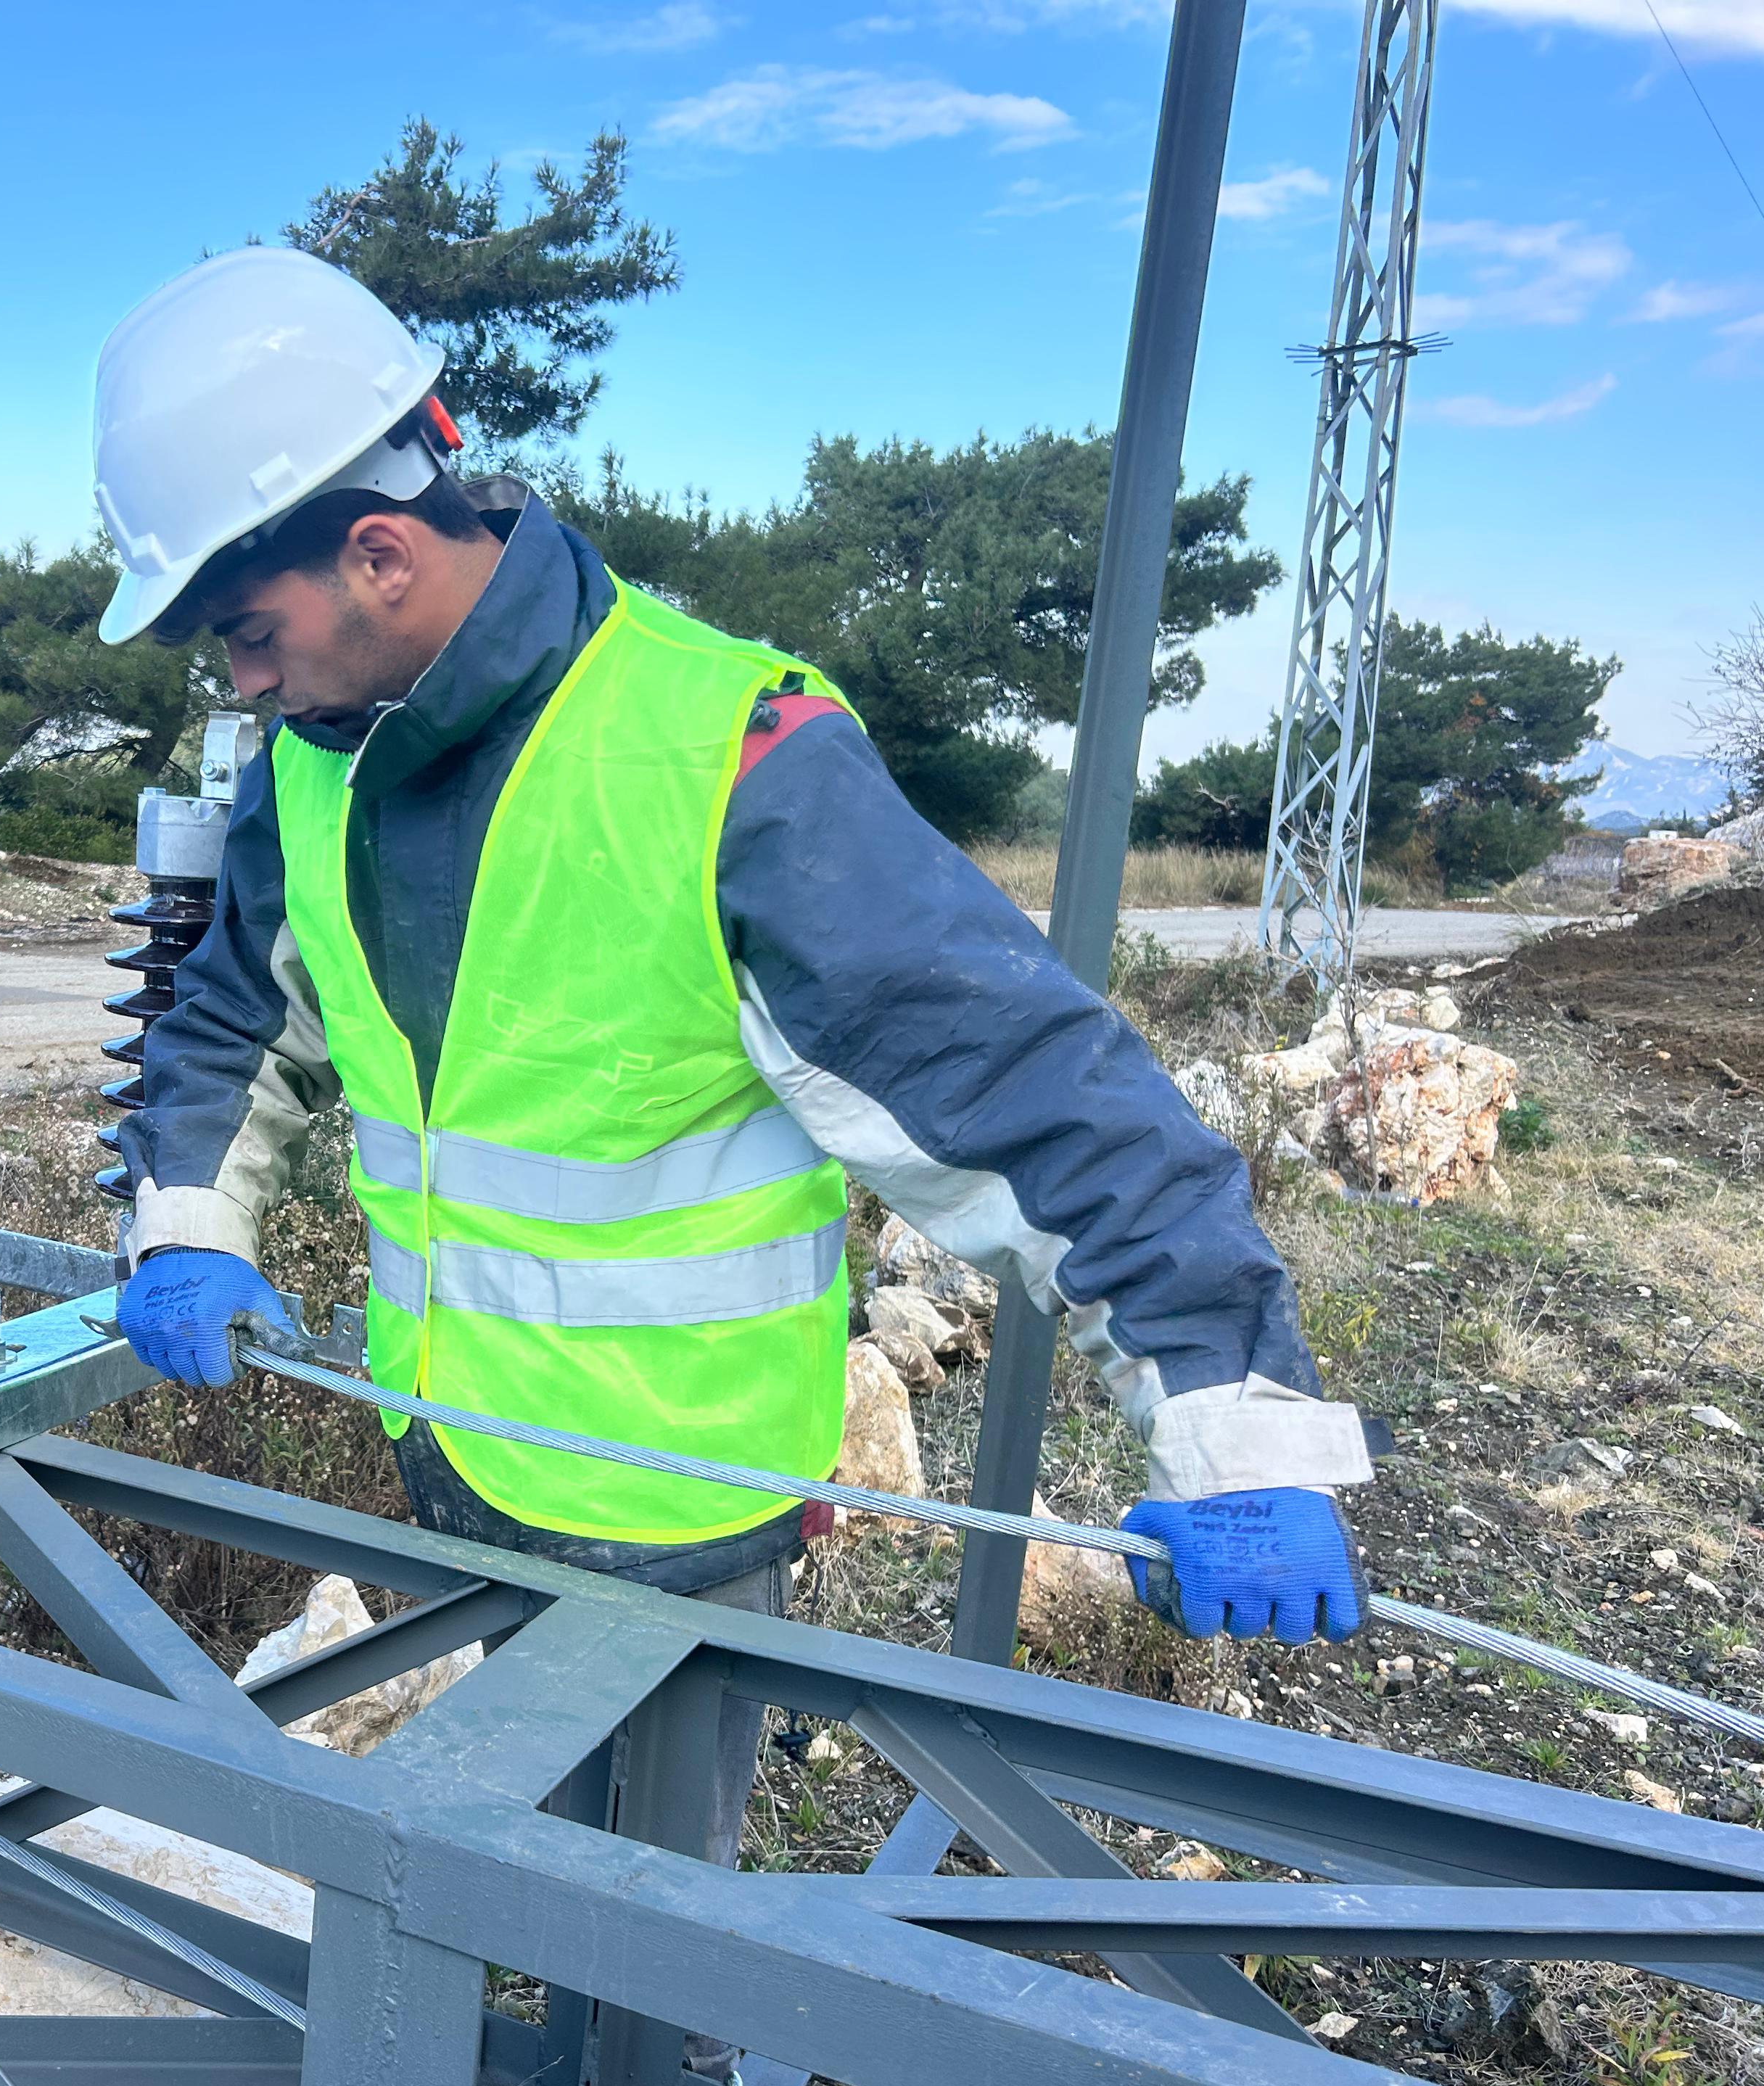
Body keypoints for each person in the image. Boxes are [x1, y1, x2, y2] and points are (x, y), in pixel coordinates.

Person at [91, 245, 1370, 1878]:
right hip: (455, 1454)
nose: (242, 681)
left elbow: (1046, 1104)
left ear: (381, 551)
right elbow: (232, 1015)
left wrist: (1233, 1424)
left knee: (652, 1949)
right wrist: (189, 1222)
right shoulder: (314, 773)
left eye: (249, 630)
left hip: (677, 1517)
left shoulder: (731, 759)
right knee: (522, 1882)